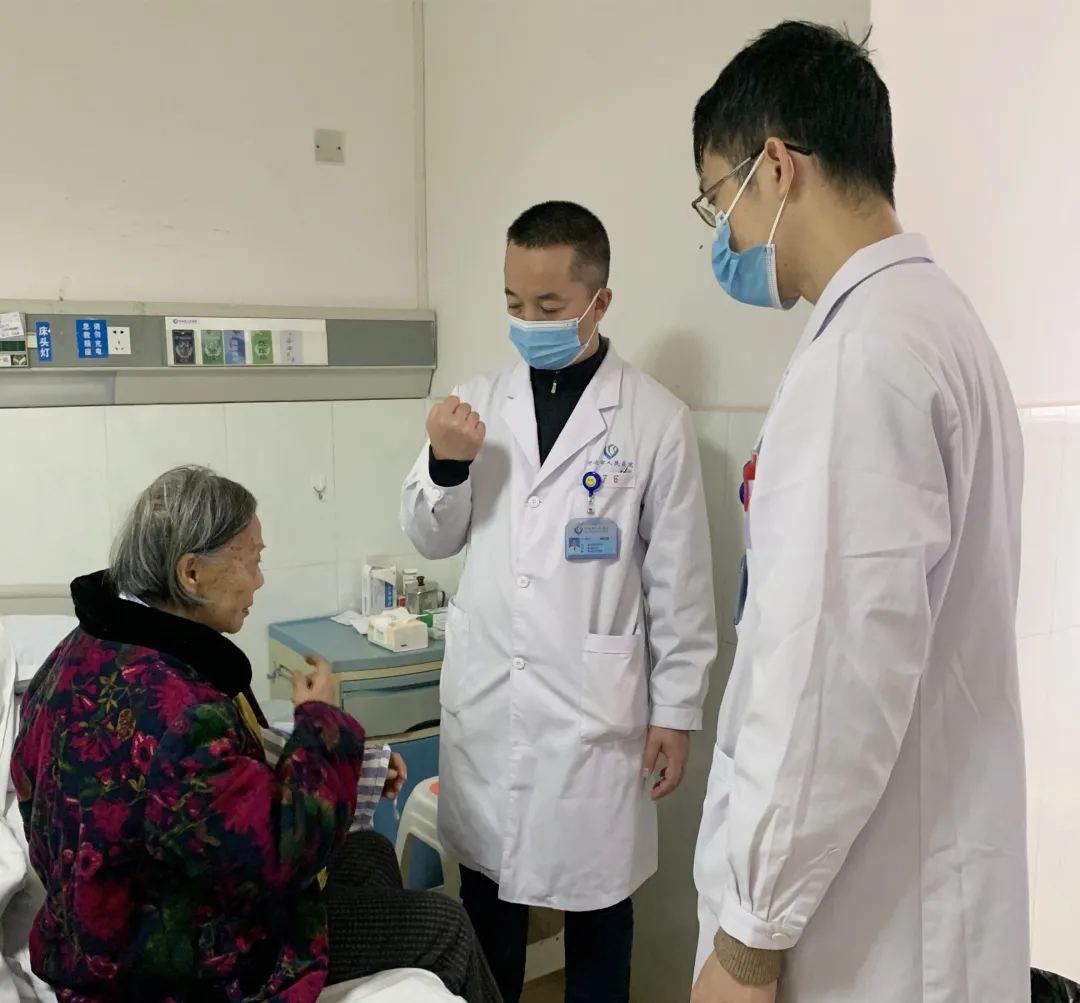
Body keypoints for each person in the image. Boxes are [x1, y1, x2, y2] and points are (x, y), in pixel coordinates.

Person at [688, 21, 1027, 1003]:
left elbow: (829, 682)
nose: (724, 240)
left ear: (777, 168)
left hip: (862, 925)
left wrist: (748, 942)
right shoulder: (939, 322)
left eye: (719, 201)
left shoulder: (861, 359)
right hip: (923, 884)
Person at [12, 465, 500, 1003]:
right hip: (171, 967)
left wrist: (349, 762)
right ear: (191, 573)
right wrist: (324, 723)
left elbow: (193, 788)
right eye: (252, 560)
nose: (260, 581)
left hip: (116, 922)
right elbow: (281, 851)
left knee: (370, 852)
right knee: (446, 927)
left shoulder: (75, 656)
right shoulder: (177, 712)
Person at [401, 201, 718, 1003]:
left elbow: (679, 583)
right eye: (514, 302)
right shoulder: (475, 403)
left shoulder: (654, 420)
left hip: (593, 717)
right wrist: (445, 463)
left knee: (600, 911)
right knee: (488, 911)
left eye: (548, 305)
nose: (528, 321)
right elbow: (431, 538)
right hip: (491, 704)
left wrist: (677, 710)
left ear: (599, 300)